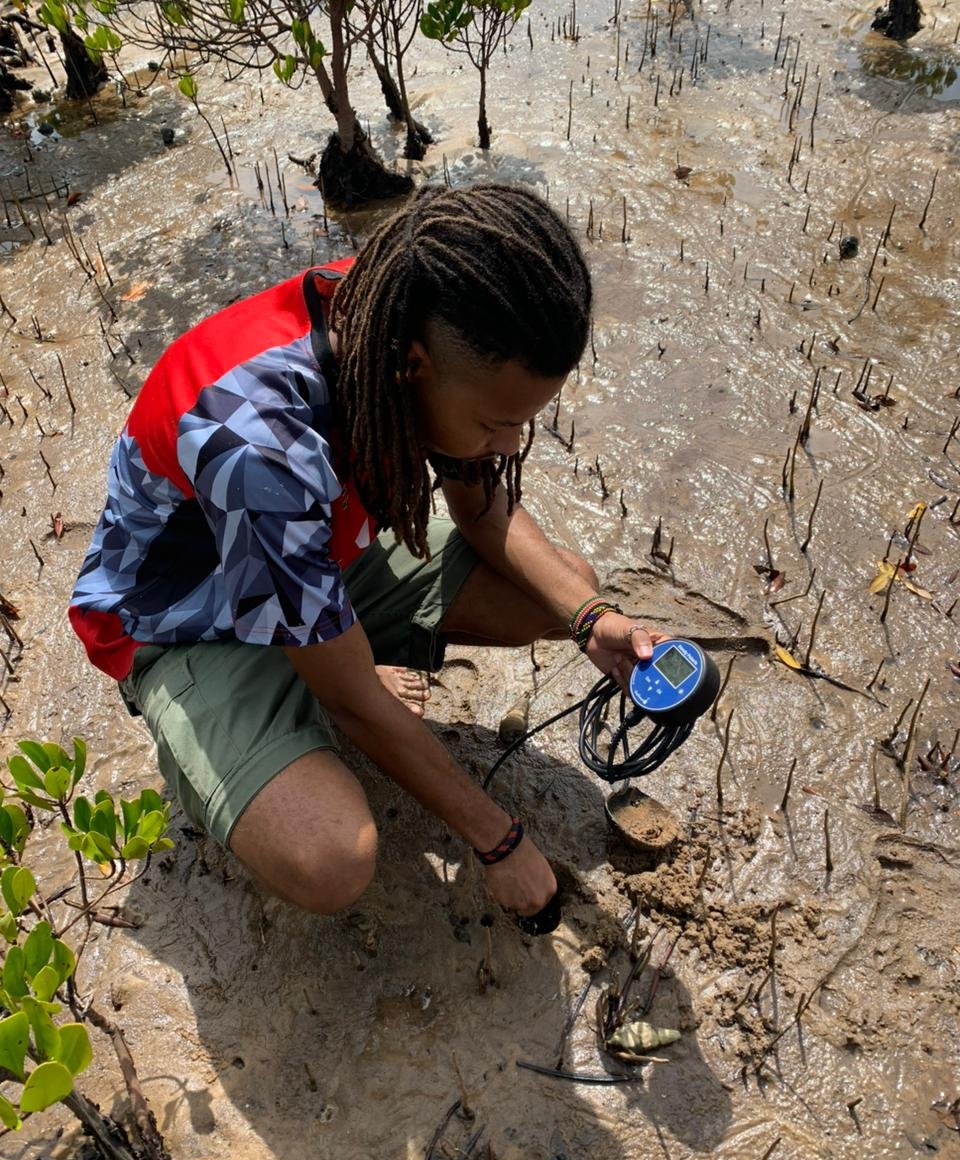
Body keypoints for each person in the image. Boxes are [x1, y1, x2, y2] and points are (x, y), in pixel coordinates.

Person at [68, 183, 664, 921]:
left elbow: (481, 510)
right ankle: (247, 705)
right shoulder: (260, 447)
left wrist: (592, 618)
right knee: (331, 858)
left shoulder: (410, 306)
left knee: (559, 585)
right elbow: (354, 703)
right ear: (414, 366)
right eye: (495, 423)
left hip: (312, 550)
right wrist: (499, 840)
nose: (511, 446)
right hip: (185, 619)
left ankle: (327, 652)